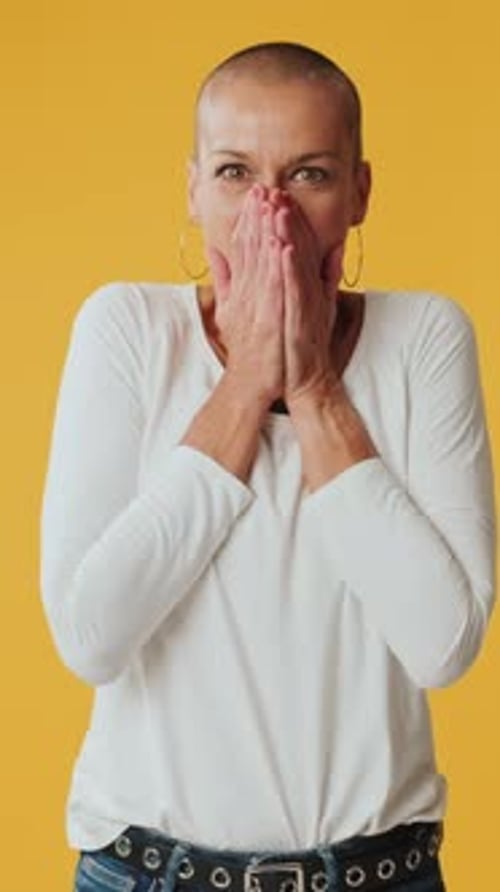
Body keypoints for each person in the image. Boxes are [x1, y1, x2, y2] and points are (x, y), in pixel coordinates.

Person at [39, 40, 497, 892]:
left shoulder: (427, 338)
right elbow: (92, 636)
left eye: (311, 175)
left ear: (360, 192)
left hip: (379, 875)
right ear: (192, 189)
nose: (270, 213)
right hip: (148, 874)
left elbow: (443, 644)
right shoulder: (128, 330)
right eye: (235, 174)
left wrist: (317, 388)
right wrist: (245, 386)